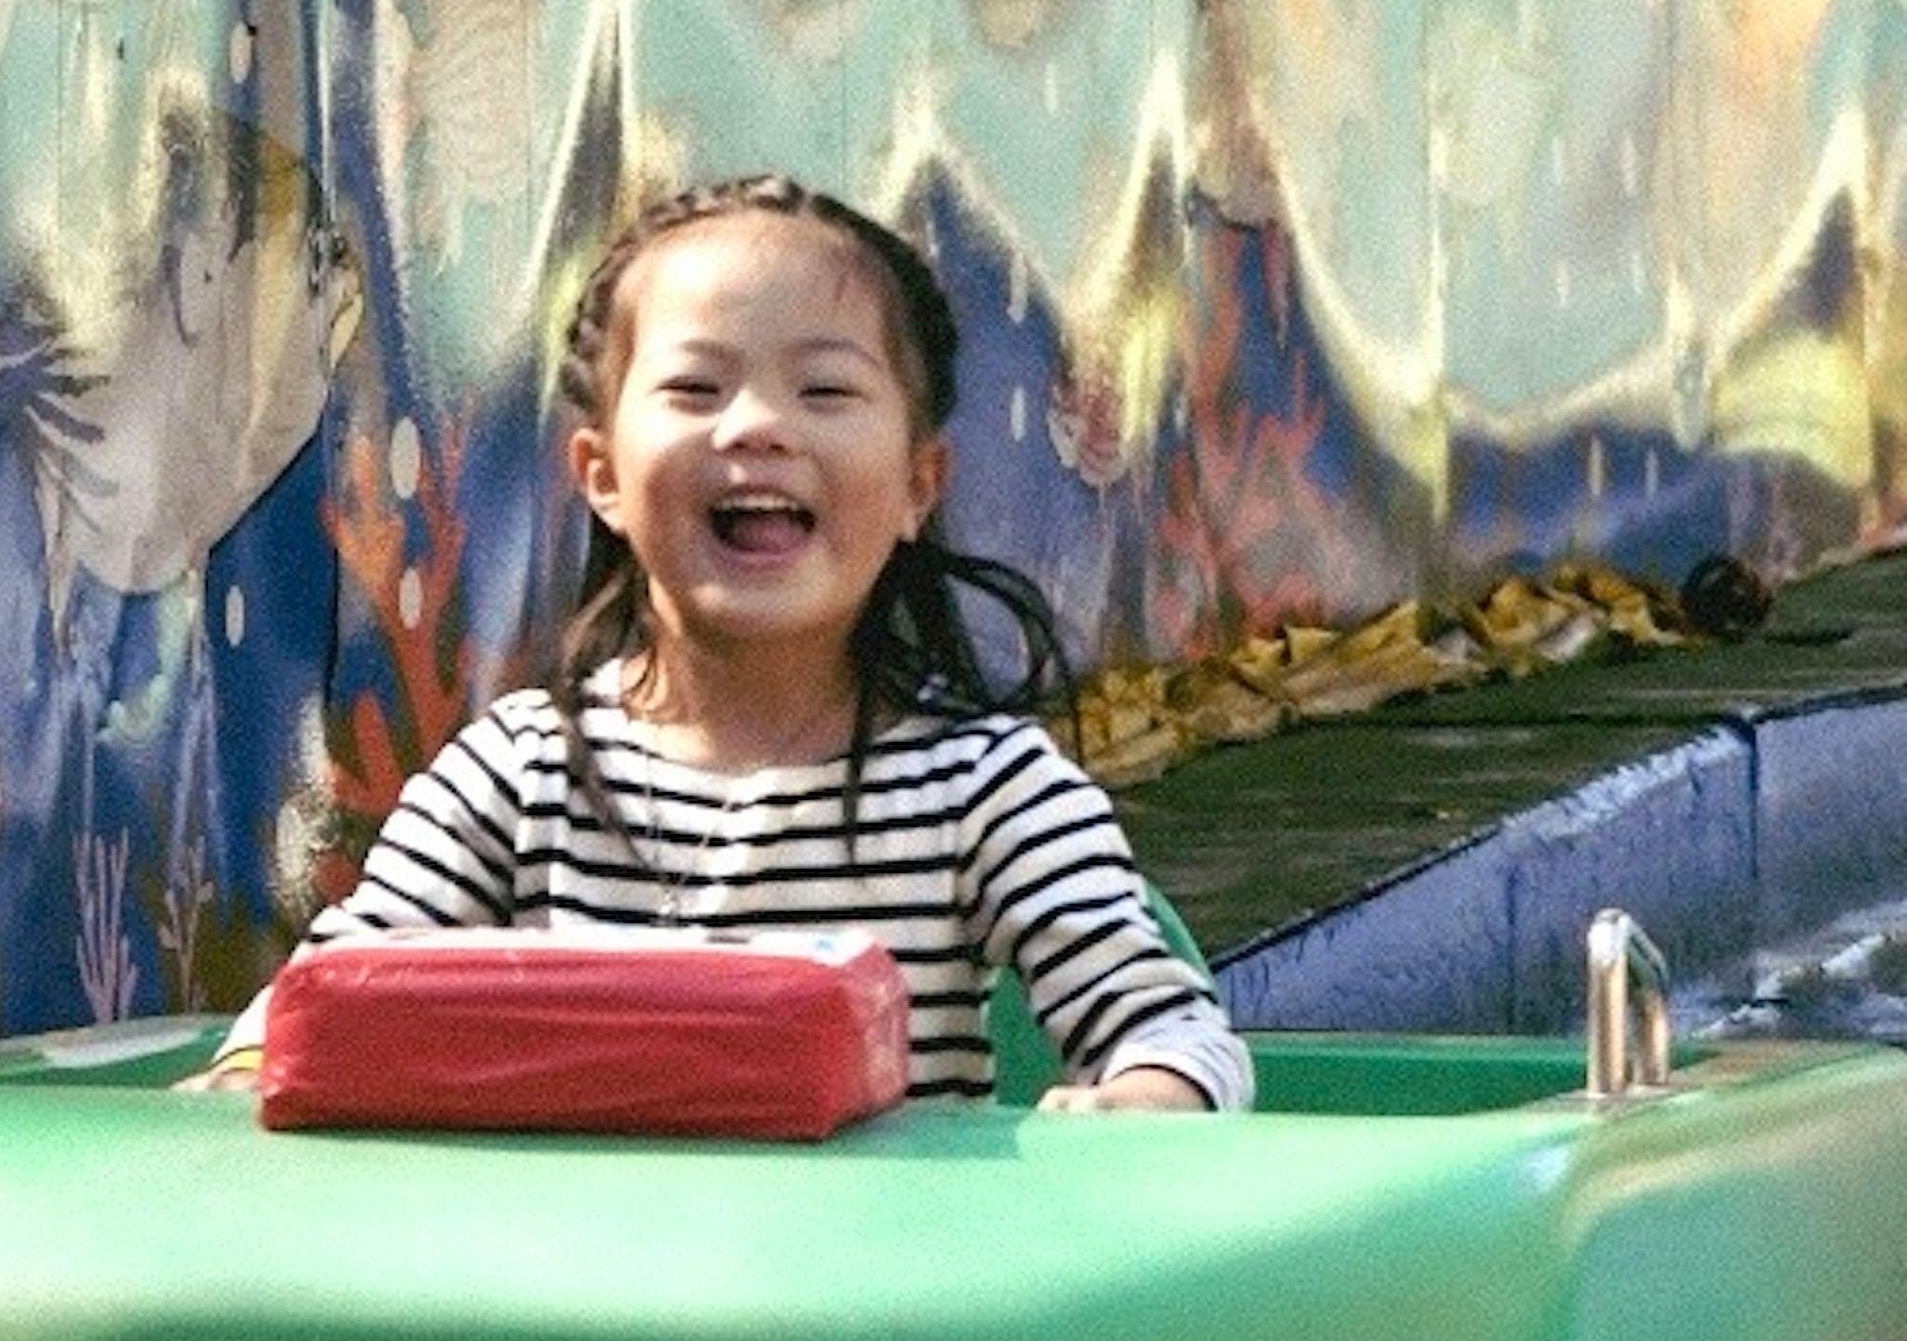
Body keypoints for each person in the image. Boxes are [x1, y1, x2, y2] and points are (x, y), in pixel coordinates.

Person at [308, 173, 1249, 1112]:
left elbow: (1177, 1034)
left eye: (826, 388)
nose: (758, 425)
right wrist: (242, 1078)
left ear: (921, 484)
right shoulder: (522, 775)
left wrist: (1138, 1101)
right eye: (695, 386)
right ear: (599, 474)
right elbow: (318, 1016)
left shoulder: (984, 789)